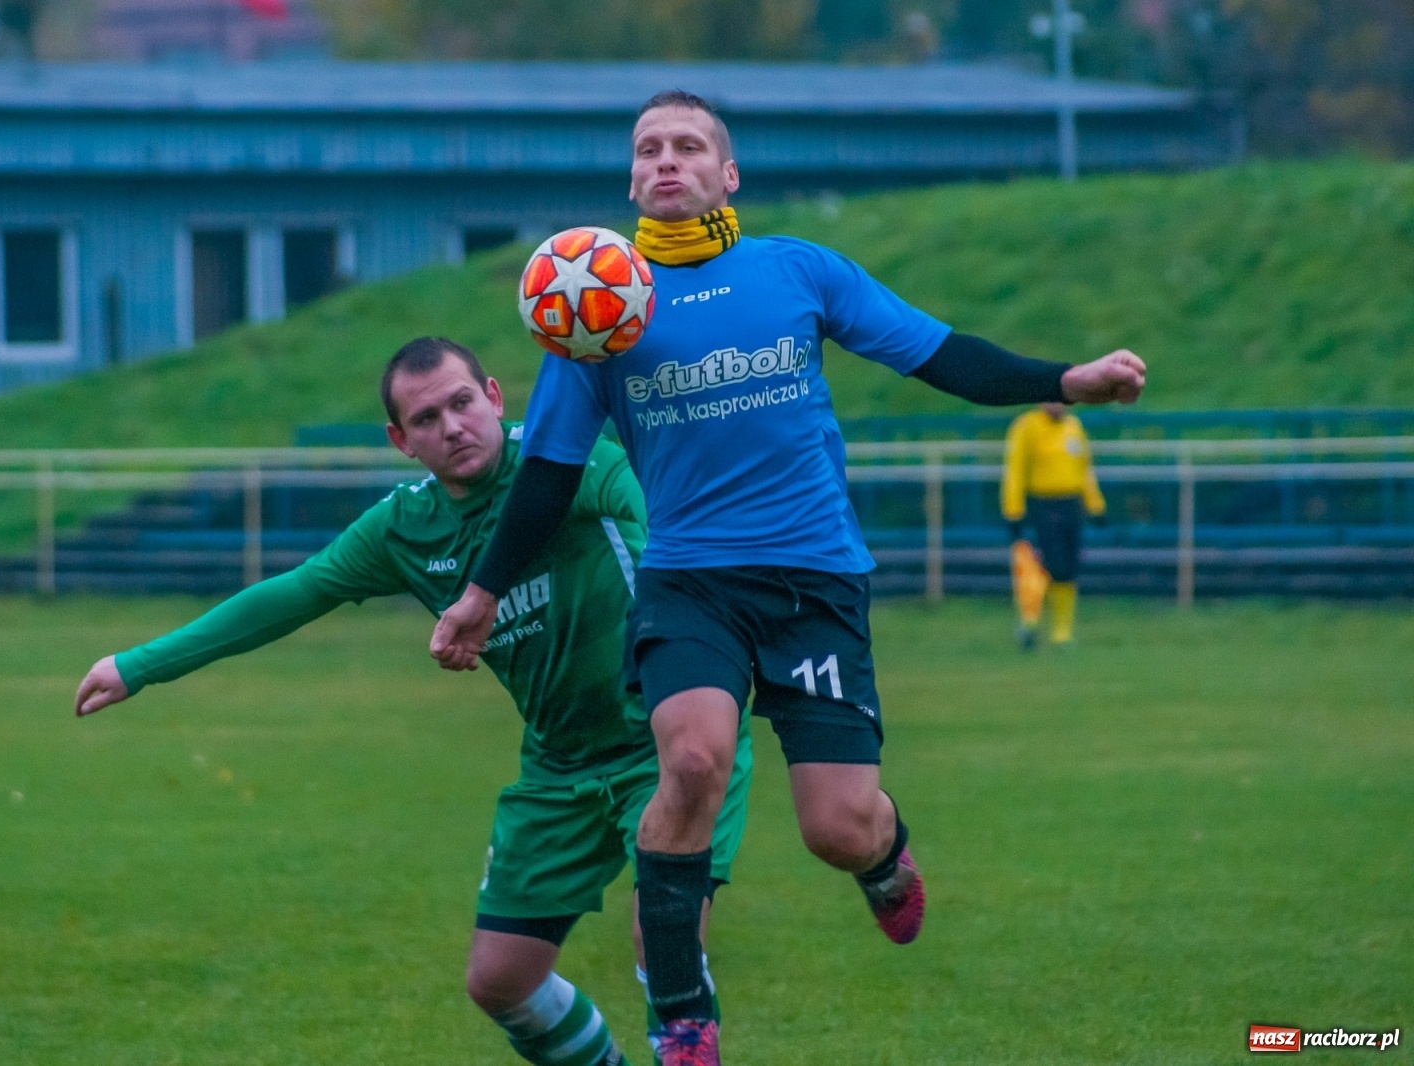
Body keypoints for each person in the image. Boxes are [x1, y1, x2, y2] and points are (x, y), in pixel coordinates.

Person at [429, 91, 1146, 1065]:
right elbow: (548, 473)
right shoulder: (595, 314)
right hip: (690, 583)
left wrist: (1067, 380)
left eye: (689, 146)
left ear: (729, 176)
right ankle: (681, 1012)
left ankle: (884, 855)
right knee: (690, 760)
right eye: (648, 149)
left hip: (813, 580)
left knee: (835, 826)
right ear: (631, 180)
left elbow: (940, 355)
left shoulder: (796, 269)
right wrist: (477, 592)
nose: (666, 161)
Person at [73, 337, 753, 1066]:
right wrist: (139, 665)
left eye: (462, 403)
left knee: (666, 928)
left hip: (668, 740)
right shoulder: (405, 527)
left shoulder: (570, 459)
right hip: (560, 767)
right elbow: (291, 596)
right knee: (501, 981)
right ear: (401, 441)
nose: (452, 426)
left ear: (493, 397)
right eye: (426, 419)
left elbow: (656, 522)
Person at [1001, 402, 1108, 649]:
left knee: (1069, 567)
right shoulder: (1027, 426)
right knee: (1044, 564)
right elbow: (1015, 469)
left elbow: (1084, 469)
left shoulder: (1073, 427)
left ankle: (1062, 632)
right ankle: (1030, 621)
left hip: (1072, 504)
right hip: (1042, 504)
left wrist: (1096, 505)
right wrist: (1013, 509)